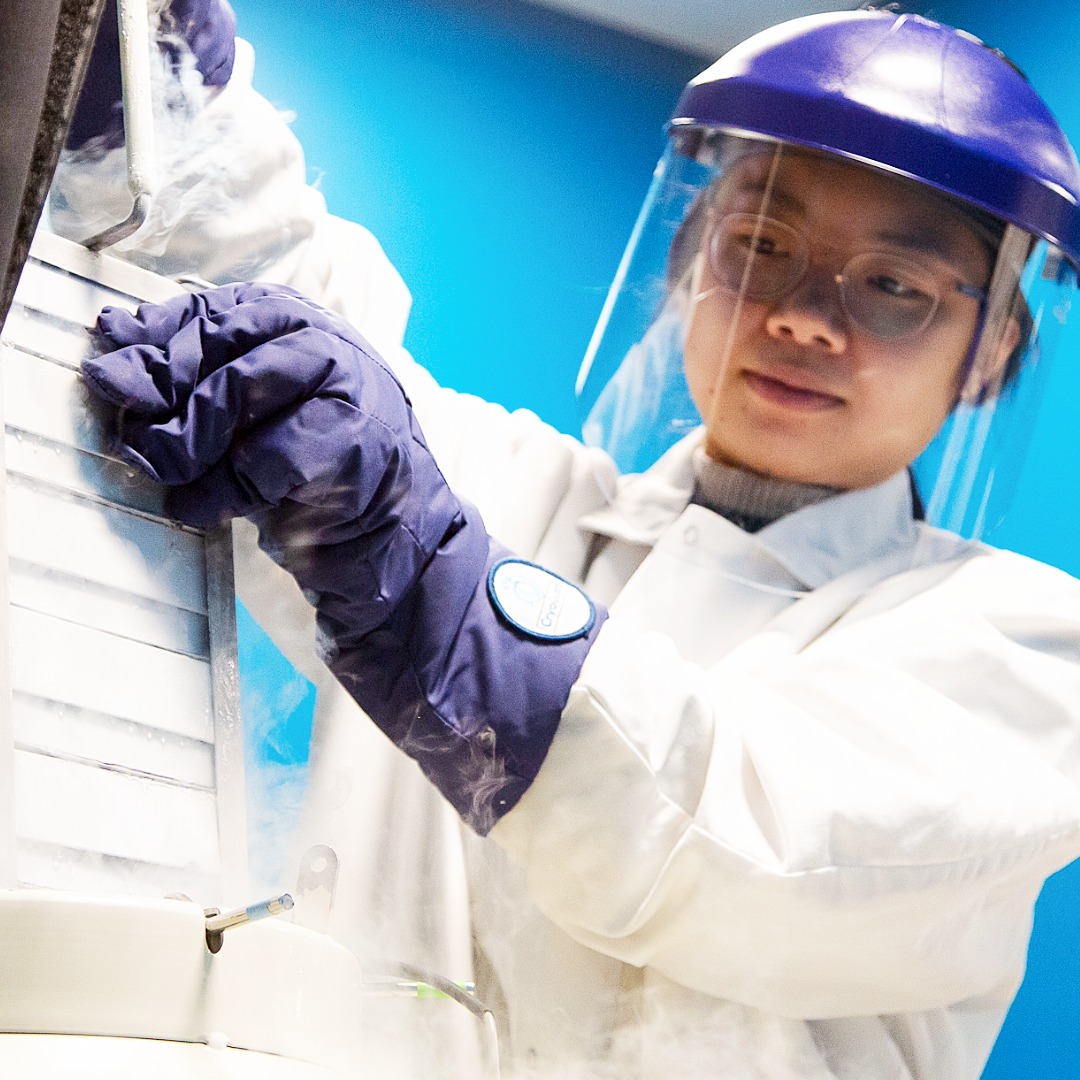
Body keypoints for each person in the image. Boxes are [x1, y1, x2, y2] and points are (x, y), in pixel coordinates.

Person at [76, 8, 1080, 1079]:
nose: (803, 317)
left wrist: (433, 586)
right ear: (690, 265)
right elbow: (262, 294)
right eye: (761, 246)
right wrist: (144, 68)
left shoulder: (1023, 652)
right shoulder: (525, 496)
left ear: (992, 352)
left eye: (893, 287)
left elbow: (728, 835)